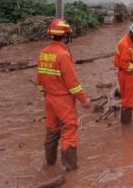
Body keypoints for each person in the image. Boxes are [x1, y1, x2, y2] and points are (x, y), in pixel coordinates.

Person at [37, 18, 90, 171]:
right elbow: (72, 83)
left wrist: (44, 94)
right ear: (66, 36)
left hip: (49, 98)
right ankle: (70, 168)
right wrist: (84, 100)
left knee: (52, 129)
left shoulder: (43, 53)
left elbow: (40, 79)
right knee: (69, 129)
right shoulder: (63, 55)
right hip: (63, 100)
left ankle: (50, 163)